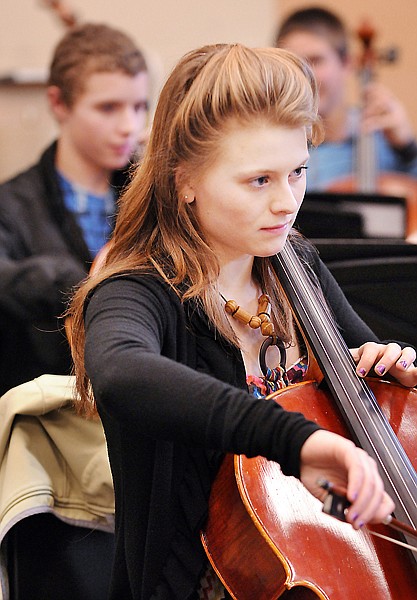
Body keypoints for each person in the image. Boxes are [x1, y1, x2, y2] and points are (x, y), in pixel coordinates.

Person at [68, 43, 416, 600]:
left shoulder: (294, 265)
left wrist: (389, 364)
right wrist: (294, 440)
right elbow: (122, 373)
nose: (288, 203)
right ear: (184, 181)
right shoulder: (137, 293)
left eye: (298, 172)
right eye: (260, 181)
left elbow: (367, 377)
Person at [0, 23, 149, 395]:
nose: (129, 126)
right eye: (108, 108)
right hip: (49, 412)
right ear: (58, 103)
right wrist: (74, 282)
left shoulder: (152, 196)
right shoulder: (10, 206)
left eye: (139, 106)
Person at [274, 6, 417, 190]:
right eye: (294, 63)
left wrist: (407, 149)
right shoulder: (280, 145)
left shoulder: (383, 138)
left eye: (316, 60)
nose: (305, 76)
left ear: (347, 63)